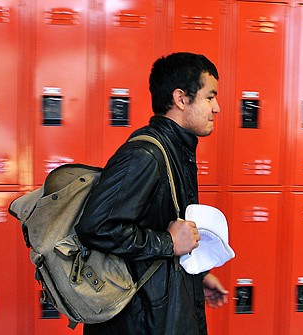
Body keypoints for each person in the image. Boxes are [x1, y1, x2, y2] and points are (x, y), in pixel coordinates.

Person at [76, 52, 228, 335]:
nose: (217, 107)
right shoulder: (145, 155)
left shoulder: (175, 150)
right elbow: (95, 227)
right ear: (181, 99)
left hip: (159, 313)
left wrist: (197, 277)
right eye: (210, 97)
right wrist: (167, 243)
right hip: (141, 322)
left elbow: (156, 222)